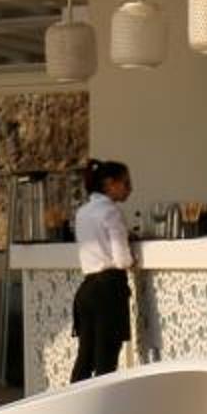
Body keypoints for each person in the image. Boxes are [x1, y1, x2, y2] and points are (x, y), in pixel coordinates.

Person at [69, 158, 136, 383]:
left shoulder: (82, 212)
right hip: (109, 289)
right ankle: (102, 403)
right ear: (109, 183)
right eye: (125, 183)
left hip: (87, 289)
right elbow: (122, 260)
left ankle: (73, 401)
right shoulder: (111, 212)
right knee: (105, 361)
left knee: (85, 358)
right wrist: (131, 258)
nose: (130, 189)